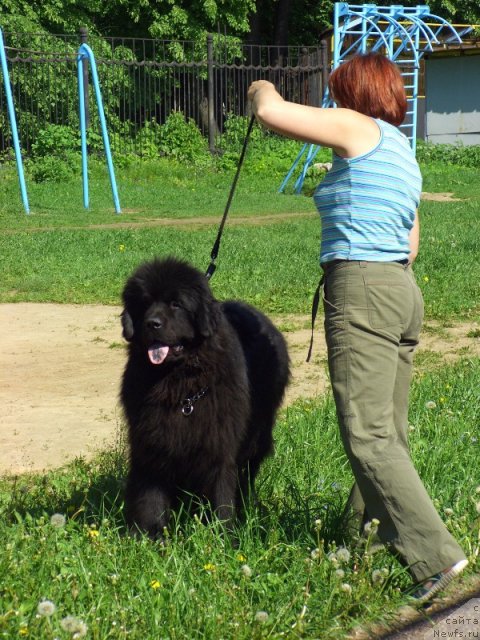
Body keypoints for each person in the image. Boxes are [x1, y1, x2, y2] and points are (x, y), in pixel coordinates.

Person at [247, 53, 468, 604]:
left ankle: (436, 559)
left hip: (363, 287)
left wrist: (259, 84)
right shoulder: (403, 152)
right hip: (401, 289)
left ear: (352, 91)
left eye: (336, 90)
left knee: (366, 434)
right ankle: (360, 546)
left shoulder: (354, 125)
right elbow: (411, 242)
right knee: (387, 432)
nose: (332, 100)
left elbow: (271, 114)